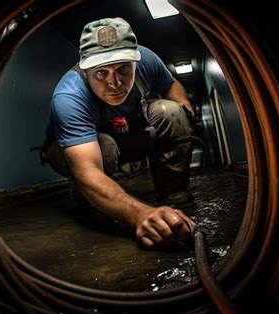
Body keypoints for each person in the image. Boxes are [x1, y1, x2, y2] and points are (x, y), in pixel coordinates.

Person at [42, 17, 196, 249]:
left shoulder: (148, 59)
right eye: (101, 73)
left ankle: (174, 192)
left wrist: (187, 116)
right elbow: (88, 170)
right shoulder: (69, 97)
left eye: (123, 69)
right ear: (85, 69)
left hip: (130, 134)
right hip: (85, 151)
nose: (114, 83)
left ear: (136, 62)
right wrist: (140, 214)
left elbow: (170, 84)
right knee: (104, 148)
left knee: (171, 111)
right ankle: (89, 200)